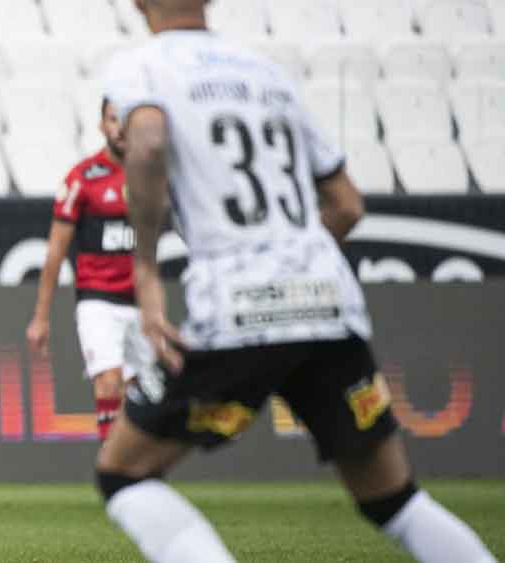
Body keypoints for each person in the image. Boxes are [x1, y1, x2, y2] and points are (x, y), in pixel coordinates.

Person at [94, 2, 498, 563]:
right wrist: (294, 262)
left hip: (237, 307)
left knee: (125, 475)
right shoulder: (266, 73)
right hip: (328, 300)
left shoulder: (142, 68)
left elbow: (151, 140)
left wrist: (146, 275)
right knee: (393, 500)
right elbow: (348, 205)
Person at [26, 98, 153, 440]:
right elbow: (55, 250)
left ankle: (138, 474)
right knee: (108, 379)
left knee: (143, 393)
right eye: (113, 120)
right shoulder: (83, 179)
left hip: (141, 304)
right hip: (98, 300)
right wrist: (41, 317)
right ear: (101, 126)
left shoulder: (150, 175)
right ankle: (113, 474)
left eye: (126, 120)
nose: (120, 128)